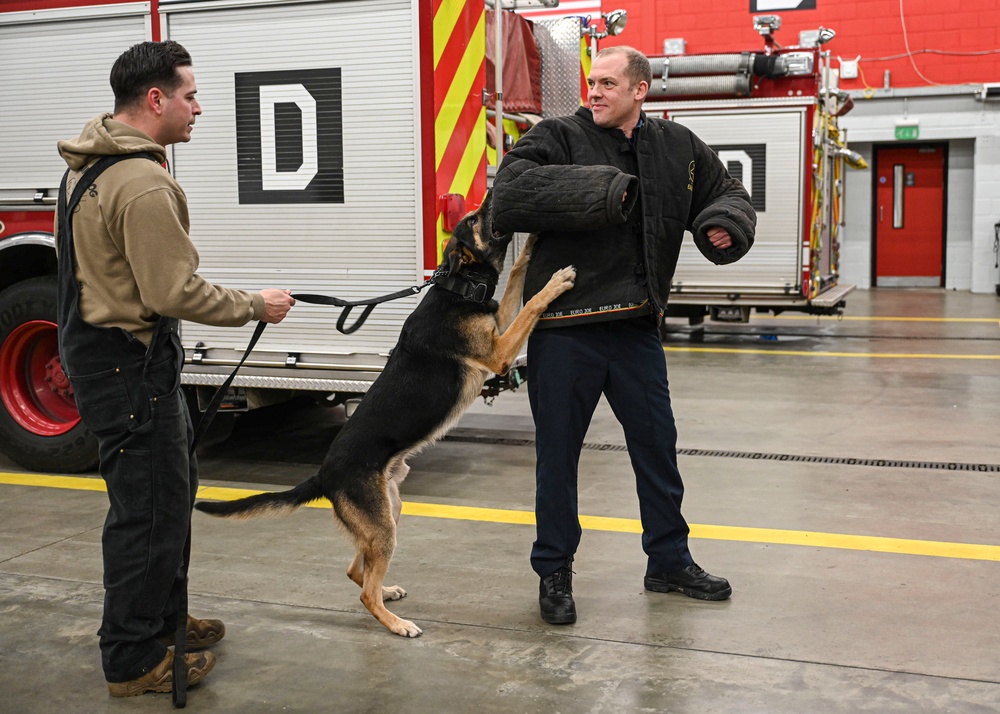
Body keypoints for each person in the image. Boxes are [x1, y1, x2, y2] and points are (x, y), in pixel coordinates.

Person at [55, 40, 295, 696]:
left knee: (160, 498)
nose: (199, 107)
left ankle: (159, 615)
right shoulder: (141, 181)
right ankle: (134, 658)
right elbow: (170, 293)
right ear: (155, 99)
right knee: (148, 510)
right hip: (129, 368)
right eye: (190, 94)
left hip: (104, 357)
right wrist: (256, 306)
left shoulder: (91, 162)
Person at [491, 46, 756, 625]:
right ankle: (554, 571)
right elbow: (508, 193)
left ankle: (668, 561)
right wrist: (607, 192)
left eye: (609, 83)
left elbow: (727, 192)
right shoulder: (556, 136)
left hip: (636, 329)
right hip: (564, 331)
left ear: (641, 90)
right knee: (557, 459)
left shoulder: (676, 145)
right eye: (592, 81)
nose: (596, 91)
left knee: (657, 450)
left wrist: (721, 224)